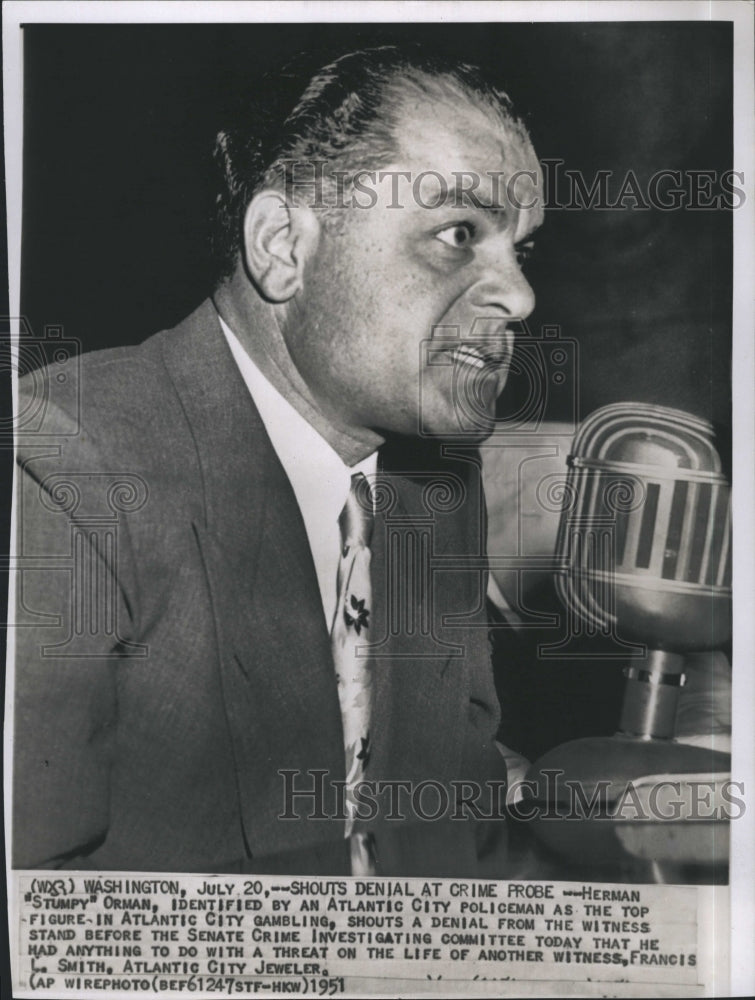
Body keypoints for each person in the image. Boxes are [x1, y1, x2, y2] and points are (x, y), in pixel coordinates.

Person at [12, 46, 728, 876]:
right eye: (458, 233)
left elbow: (448, 827)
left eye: (519, 251)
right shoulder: (64, 464)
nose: (522, 298)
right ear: (283, 245)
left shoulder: (431, 487)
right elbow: (30, 920)